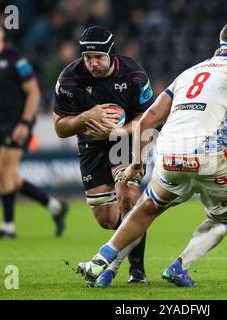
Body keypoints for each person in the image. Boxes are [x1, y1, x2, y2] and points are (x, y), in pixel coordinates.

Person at [78, 20, 227, 291]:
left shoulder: (190, 71)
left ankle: (101, 261)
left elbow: (146, 121)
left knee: (147, 207)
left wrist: (136, 165)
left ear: (220, 44)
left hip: (168, 152)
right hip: (209, 153)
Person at [52, 26, 154, 284]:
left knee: (128, 193)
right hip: (90, 145)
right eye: (87, 58)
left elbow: (148, 119)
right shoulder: (69, 79)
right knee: (108, 219)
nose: (93, 64)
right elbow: (60, 128)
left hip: (123, 140)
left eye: (98, 57)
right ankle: (136, 222)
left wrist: (121, 129)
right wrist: (87, 117)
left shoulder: (134, 74)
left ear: (111, 54)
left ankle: (137, 271)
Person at [0, 12, 68, 241]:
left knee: (1, 171)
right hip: (1, 123)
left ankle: (8, 227)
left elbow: (33, 92)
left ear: (2, 34)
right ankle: (55, 206)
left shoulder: (17, 59)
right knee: (12, 178)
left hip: (19, 123)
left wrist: (25, 122)